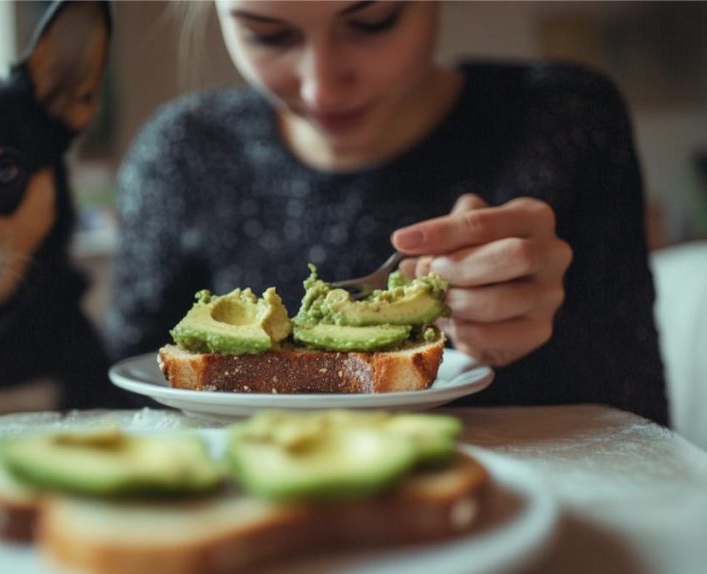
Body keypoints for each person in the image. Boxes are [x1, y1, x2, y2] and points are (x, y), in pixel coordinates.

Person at [106, 1, 669, 426]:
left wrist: (547, 322)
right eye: (267, 34)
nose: (321, 88)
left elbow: (641, 428)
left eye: (373, 21)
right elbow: (114, 403)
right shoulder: (180, 150)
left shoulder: (562, 120)